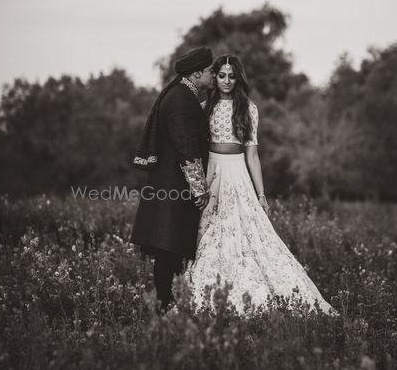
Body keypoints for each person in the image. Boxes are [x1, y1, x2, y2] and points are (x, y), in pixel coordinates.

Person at [182, 54, 340, 317]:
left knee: (247, 232)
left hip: (237, 171)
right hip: (211, 170)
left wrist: (261, 194)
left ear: (238, 78)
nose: (226, 81)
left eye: (232, 76)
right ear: (215, 76)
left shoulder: (248, 108)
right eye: (221, 75)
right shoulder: (204, 106)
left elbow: (252, 155)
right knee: (208, 229)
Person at [129, 47, 214, 312]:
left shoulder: (181, 94)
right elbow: (186, 146)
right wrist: (200, 189)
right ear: (197, 73)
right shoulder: (181, 99)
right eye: (211, 72)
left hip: (169, 187)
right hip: (173, 189)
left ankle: (167, 306)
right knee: (167, 250)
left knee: (170, 250)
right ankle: (164, 307)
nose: (213, 77)